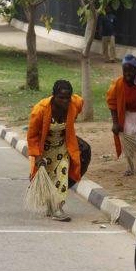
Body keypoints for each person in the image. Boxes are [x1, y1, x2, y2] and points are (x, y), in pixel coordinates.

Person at [27, 80, 84, 222]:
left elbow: (78, 107)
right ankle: (50, 206)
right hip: (44, 150)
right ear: (53, 96)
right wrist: (38, 156)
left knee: (62, 175)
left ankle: (58, 208)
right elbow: (32, 135)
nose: (65, 101)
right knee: (50, 178)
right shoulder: (40, 109)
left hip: (63, 148)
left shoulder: (75, 104)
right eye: (61, 97)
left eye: (67, 97)